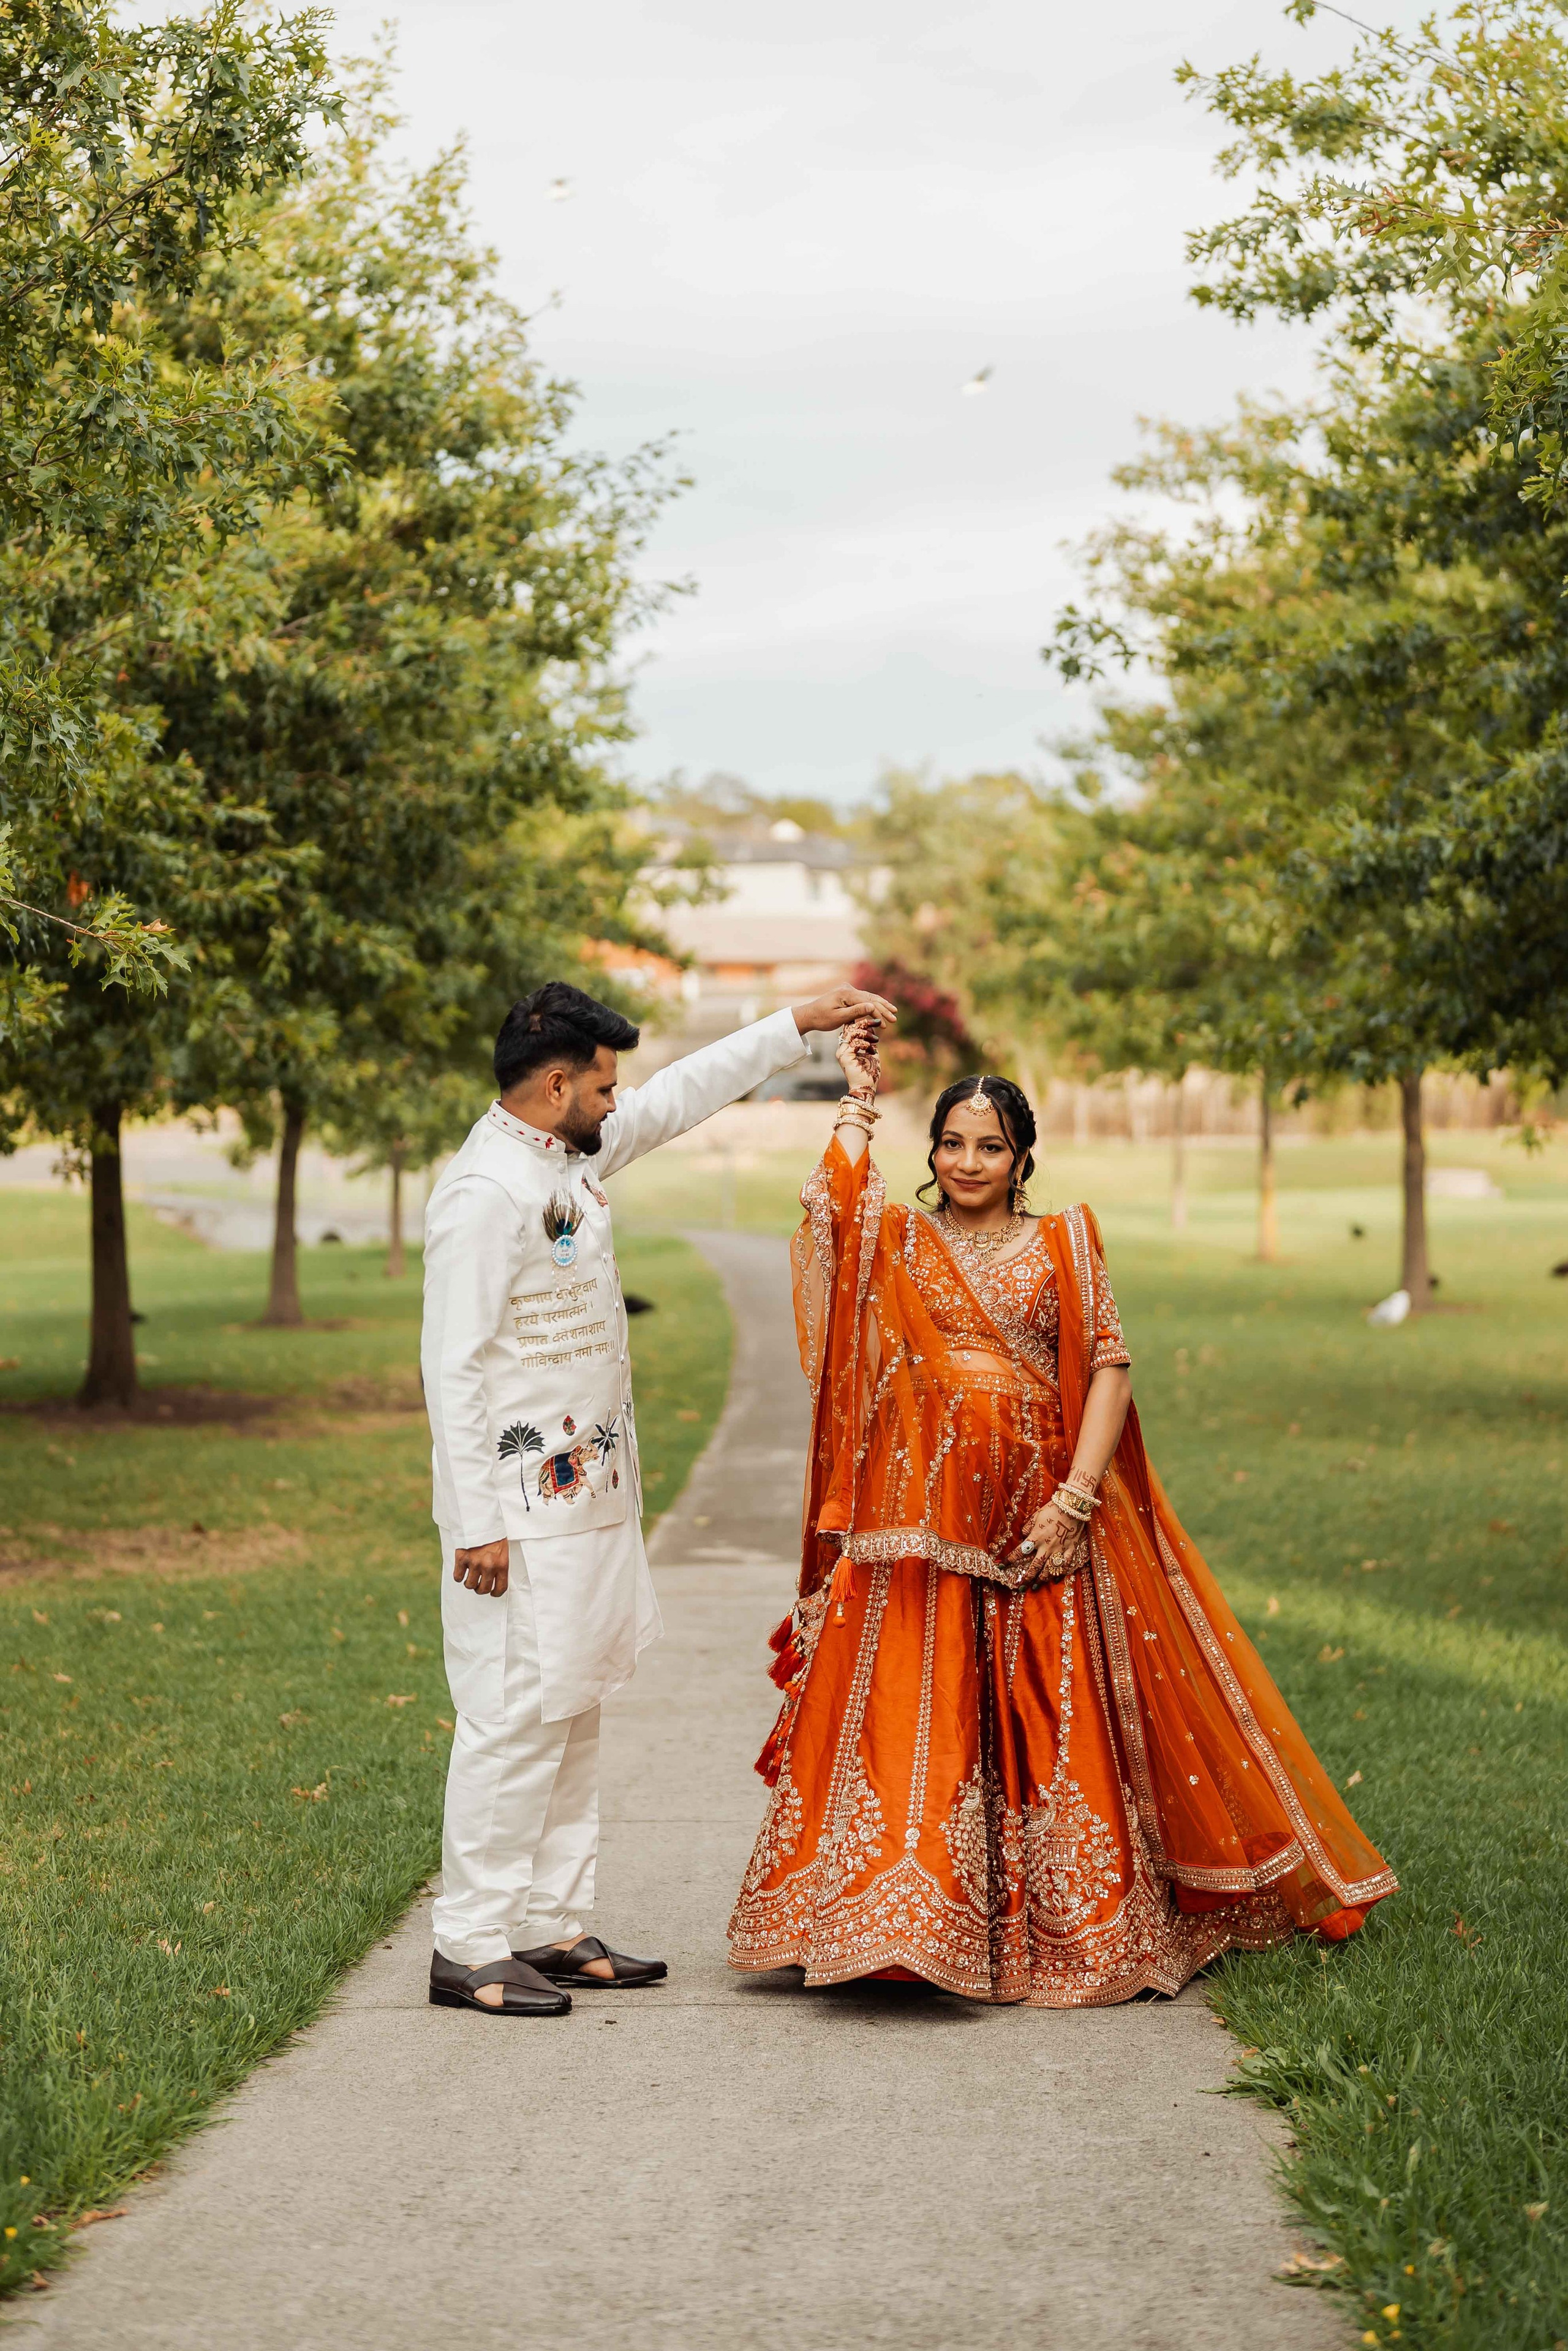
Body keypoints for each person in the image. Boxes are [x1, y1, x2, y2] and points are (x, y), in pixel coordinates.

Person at [728, 1022, 1396, 2006]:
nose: (967, 1162)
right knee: (921, 1703)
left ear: (1023, 1158)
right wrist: (857, 1099)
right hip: (921, 1526)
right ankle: (891, 1919)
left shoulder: (1064, 1241)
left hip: (1038, 1515)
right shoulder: (904, 1242)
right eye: (952, 1142)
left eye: (989, 1145)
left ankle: (1063, 1923)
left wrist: (1076, 1501)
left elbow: (1108, 1370)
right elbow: (831, 1211)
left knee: (1047, 1709)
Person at [422, 977, 897, 2018]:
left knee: (577, 1707)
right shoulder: (484, 1192)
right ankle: (467, 1942)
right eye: (603, 1084)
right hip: (515, 1517)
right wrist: (479, 1523)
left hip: (590, 1497)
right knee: (510, 1718)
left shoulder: (568, 1156)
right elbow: (449, 1367)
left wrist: (794, 1026)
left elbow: (683, 1094)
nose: (617, 1098)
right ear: (556, 1085)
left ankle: (549, 1922)